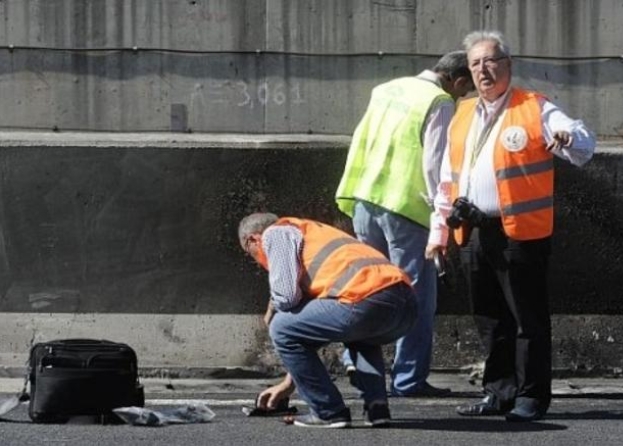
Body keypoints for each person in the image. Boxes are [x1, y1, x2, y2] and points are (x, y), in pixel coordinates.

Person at [425, 30, 596, 422]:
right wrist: (439, 232)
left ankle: (531, 397)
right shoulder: (463, 112)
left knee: (527, 319)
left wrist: (568, 139)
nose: (484, 70)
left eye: (491, 61)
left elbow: (584, 144)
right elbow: (448, 178)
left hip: (520, 232)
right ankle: (499, 391)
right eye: (475, 64)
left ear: (508, 66)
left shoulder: (534, 107)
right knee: (489, 318)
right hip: (472, 230)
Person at [335, 51, 475, 397]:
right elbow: (434, 163)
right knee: (415, 299)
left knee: (370, 290)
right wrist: (440, 215)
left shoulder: (387, 88)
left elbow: (362, 138)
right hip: (407, 209)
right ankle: (409, 380)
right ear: (457, 81)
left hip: (366, 198)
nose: (464, 98)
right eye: (466, 91)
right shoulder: (440, 101)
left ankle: (356, 360)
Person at [238, 212, 417, 428]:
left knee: (280, 327)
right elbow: (313, 333)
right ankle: (377, 409)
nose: (257, 262)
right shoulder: (316, 233)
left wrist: (271, 311)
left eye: (251, 254)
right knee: (362, 338)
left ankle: (328, 412)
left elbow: (286, 297)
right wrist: (289, 383)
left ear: (252, 240)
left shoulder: (276, 233)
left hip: (365, 302)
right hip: (405, 306)